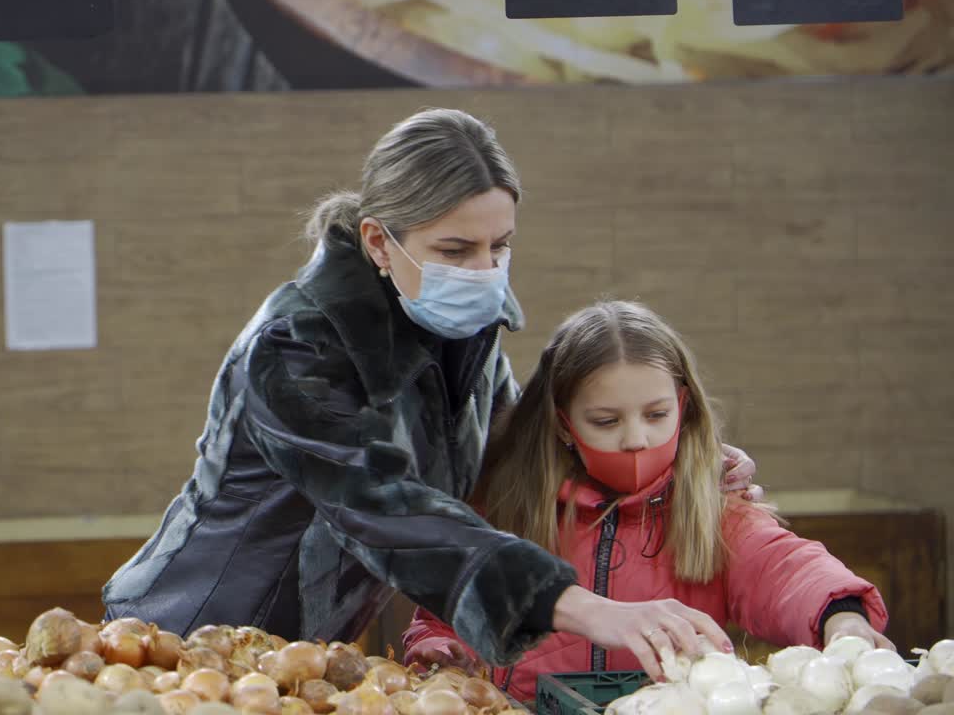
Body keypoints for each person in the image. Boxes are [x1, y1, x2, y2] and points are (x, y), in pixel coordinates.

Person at [102, 108, 759, 675]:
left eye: (499, 247)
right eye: (455, 249)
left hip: (301, 649)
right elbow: (384, 508)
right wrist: (584, 607)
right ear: (379, 243)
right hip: (184, 640)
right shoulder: (295, 347)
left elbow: (521, 458)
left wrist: (685, 468)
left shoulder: (460, 332)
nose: (483, 272)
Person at [402, 300, 890, 701]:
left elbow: (783, 566)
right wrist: (440, 648)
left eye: (656, 415)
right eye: (606, 421)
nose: (636, 439)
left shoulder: (712, 507)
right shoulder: (508, 507)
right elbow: (448, 605)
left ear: (683, 407)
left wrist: (841, 615)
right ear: (562, 423)